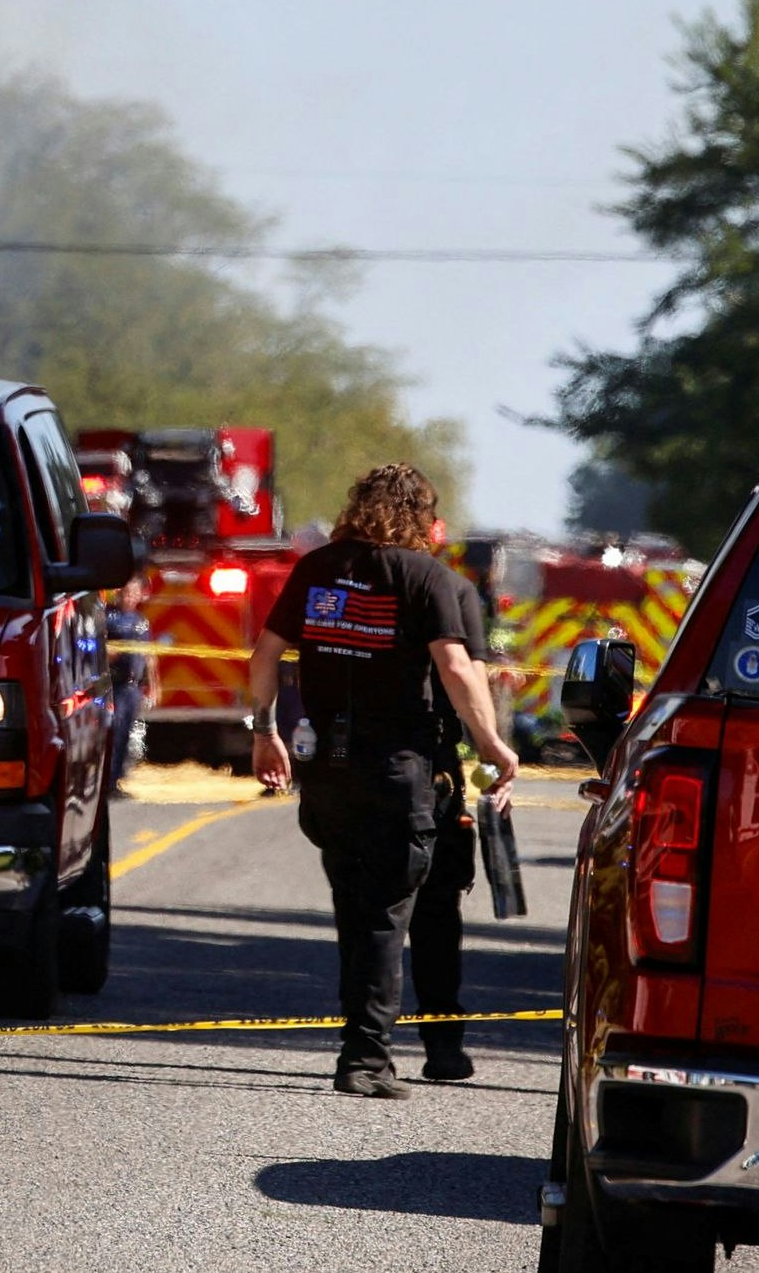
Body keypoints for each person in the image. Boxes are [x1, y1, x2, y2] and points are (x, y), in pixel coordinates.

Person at [246, 461, 515, 1099]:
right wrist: (494, 747)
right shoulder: (432, 579)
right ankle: (370, 1058)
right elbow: (457, 667)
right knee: (400, 910)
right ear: (424, 517)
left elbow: (263, 654)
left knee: (359, 906)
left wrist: (263, 731)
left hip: (330, 770)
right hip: (406, 772)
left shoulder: (317, 570)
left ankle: (388, 1047)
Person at [405, 507, 508, 1081]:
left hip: (348, 771)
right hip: (429, 777)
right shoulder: (451, 590)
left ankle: (362, 1050)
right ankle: (442, 1046)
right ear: (431, 531)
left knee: (366, 916)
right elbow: (466, 677)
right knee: (436, 916)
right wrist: (495, 753)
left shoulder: (337, 583)